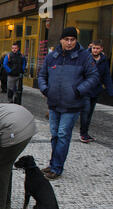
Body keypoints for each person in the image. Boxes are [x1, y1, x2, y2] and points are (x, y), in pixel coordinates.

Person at [38, 27, 99, 180]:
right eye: (67, 39)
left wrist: (78, 91)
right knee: (54, 135)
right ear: (61, 40)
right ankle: (53, 163)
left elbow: (93, 77)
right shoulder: (52, 56)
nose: (69, 42)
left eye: (72, 39)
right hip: (54, 103)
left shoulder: (84, 56)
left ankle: (57, 168)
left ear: (76, 41)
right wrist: (46, 89)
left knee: (63, 135)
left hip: (72, 104)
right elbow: (42, 75)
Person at [79, 40, 113, 143]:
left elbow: (106, 76)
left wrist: (110, 90)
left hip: (96, 90)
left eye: (97, 48)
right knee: (85, 112)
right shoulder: (86, 57)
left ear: (101, 49)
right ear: (91, 48)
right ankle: (83, 134)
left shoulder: (103, 61)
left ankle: (85, 133)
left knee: (89, 113)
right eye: (94, 48)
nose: (95, 50)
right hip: (85, 89)